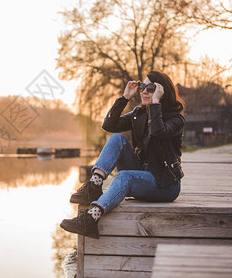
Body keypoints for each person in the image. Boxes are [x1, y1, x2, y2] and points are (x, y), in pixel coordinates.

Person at [60, 71, 185, 239]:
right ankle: (94, 185)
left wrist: (155, 104)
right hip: (143, 173)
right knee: (117, 138)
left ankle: (91, 217)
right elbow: (109, 125)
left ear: (161, 92)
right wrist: (124, 98)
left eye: (150, 88)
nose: (144, 92)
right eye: (142, 87)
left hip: (166, 184)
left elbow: (158, 132)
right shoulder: (139, 114)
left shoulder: (176, 119)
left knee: (124, 176)